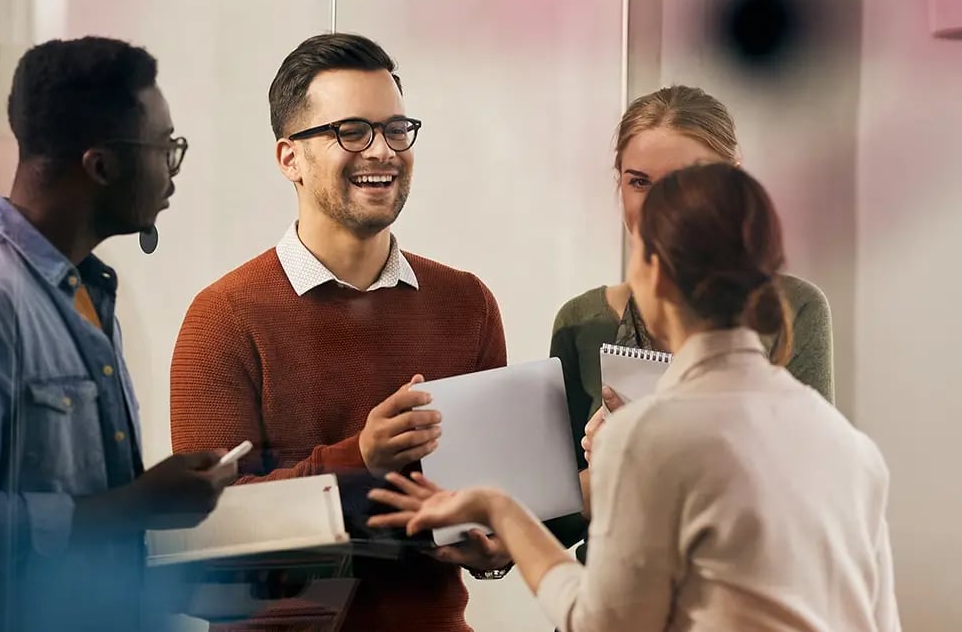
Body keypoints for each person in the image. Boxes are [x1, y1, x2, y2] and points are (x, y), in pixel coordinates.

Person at [370, 162, 899, 631]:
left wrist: (498, 507)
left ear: (653, 274)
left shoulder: (648, 437)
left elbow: (595, 622)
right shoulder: (853, 449)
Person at [0, 36, 233, 632]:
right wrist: (129, 508)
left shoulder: (85, 293)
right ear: (101, 165)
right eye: (163, 147)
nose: (171, 169)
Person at [169, 32, 510, 632]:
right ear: (289, 158)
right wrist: (361, 458)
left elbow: (489, 501)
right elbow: (209, 531)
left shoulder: (467, 304)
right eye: (351, 131)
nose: (381, 150)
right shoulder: (223, 317)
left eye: (396, 129)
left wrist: (494, 547)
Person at [546, 85, 836, 551]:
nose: (659, 208)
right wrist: (500, 527)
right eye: (639, 182)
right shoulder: (580, 321)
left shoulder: (790, 310)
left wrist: (644, 456)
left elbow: (811, 492)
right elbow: (559, 522)